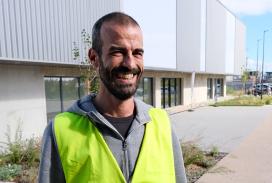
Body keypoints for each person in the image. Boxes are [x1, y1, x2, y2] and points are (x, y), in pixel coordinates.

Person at [38, 12, 187, 183]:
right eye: (118, 52)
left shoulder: (162, 124)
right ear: (94, 58)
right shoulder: (60, 130)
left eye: (137, 53)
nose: (130, 64)